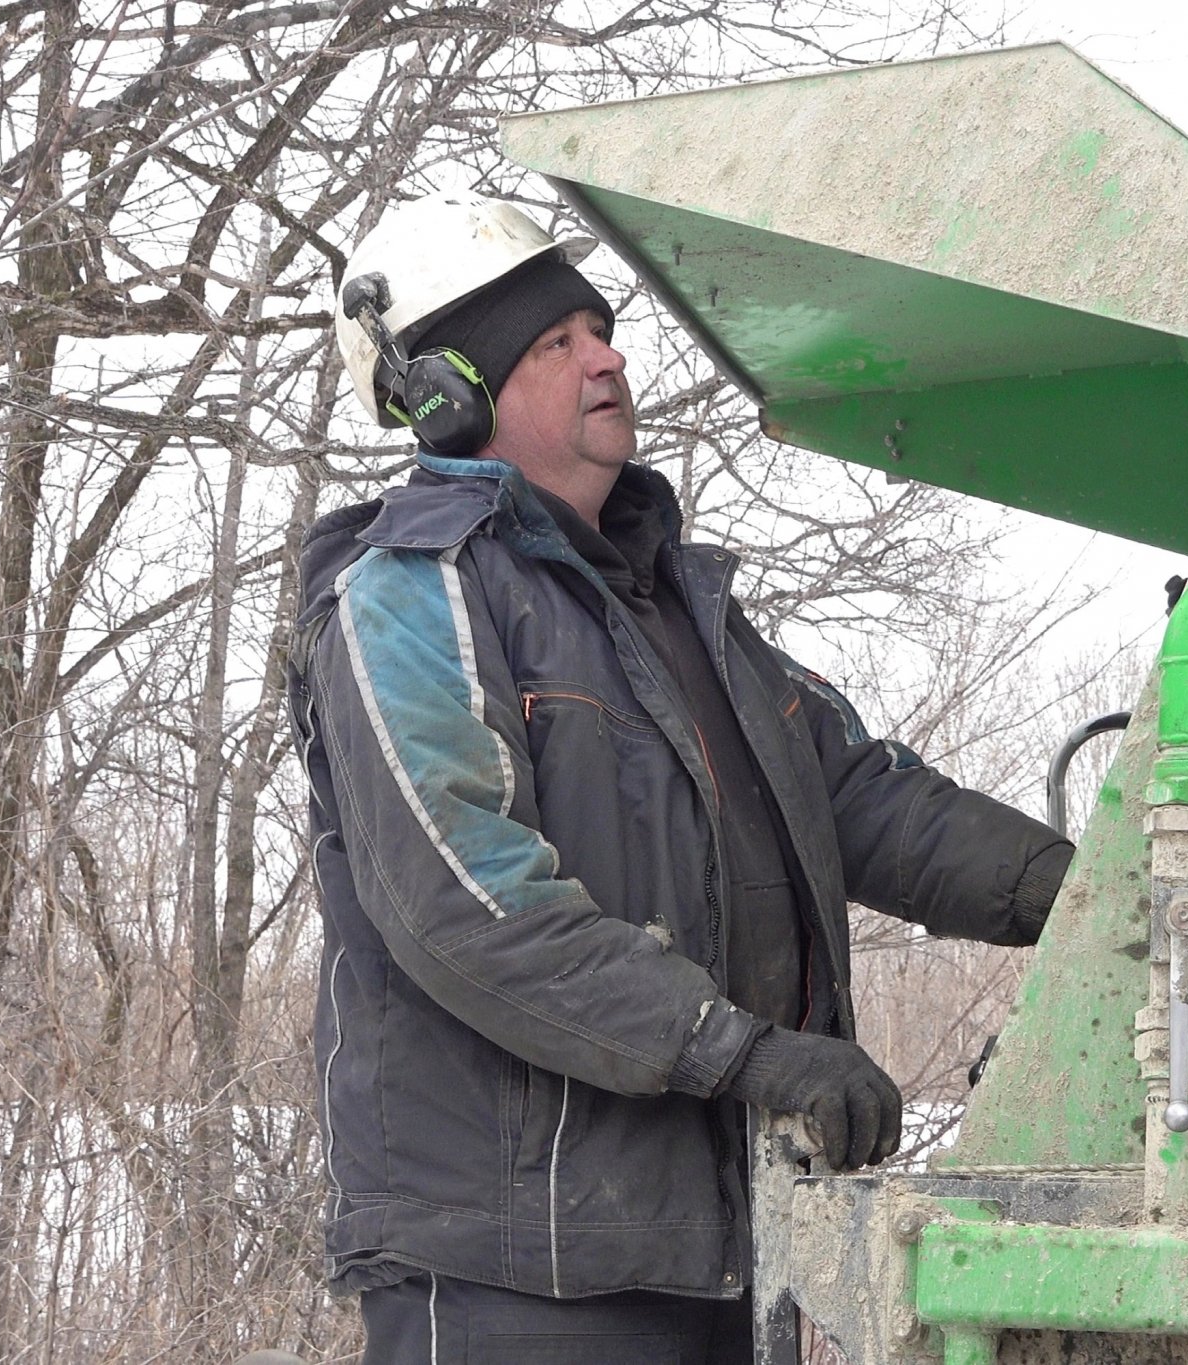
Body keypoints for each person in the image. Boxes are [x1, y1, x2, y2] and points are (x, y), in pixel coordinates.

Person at [290, 195, 1073, 1363]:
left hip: (720, 1246)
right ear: (450, 397)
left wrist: (1091, 892)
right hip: (519, 1274)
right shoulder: (411, 594)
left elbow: (864, 801)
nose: (605, 359)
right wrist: (742, 1054)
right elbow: (468, 906)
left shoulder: (678, 610)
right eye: (554, 343)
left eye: (599, 331)